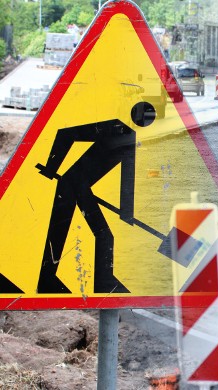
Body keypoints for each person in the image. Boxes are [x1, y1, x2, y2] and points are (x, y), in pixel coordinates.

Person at [35, 102, 156, 294]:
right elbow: (66, 133)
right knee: (83, 232)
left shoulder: (131, 138)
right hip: (69, 185)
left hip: (81, 187)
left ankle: (98, 281)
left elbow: (128, 178)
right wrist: (52, 167)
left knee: (98, 234)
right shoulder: (114, 127)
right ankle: (96, 282)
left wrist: (127, 214)